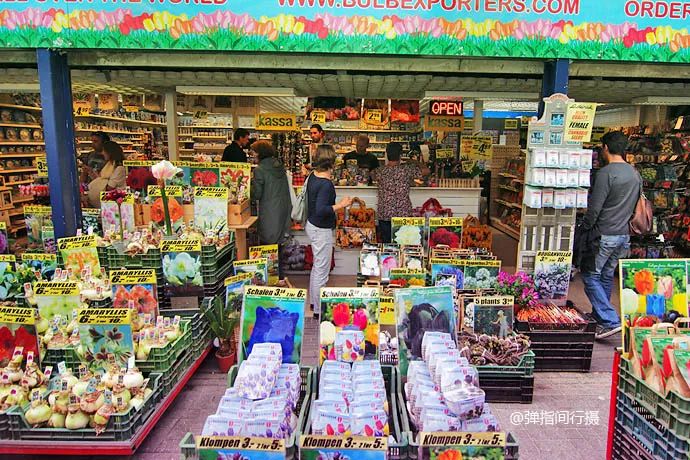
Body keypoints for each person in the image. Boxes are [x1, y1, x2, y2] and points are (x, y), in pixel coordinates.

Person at [580, 131, 640, 339]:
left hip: (603, 234)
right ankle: (600, 318)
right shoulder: (634, 173)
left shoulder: (606, 173)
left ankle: (610, 319)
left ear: (605, 147)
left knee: (589, 275)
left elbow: (595, 208)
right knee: (605, 276)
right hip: (623, 235)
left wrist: (584, 228)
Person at [306, 144, 353, 314]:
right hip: (321, 229)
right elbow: (321, 209)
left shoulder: (313, 176)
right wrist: (340, 205)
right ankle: (319, 310)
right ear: (331, 162)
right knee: (322, 271)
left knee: (317, 267)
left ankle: (314, 302)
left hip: (312, 225)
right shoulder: (326, 184)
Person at [373, 142, 428, 243]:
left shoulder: (379, 171)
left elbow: (370, 176)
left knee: (386, 245)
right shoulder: (407, 170)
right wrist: (414, 161)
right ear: (400, 155)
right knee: (403, 243)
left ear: (387, 154)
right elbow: (426, 171)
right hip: (403, 213)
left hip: (385, 213)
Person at [251, 140, 292, 246]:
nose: (252, 155)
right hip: (283, 210)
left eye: (254, 152)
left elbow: (257, 194)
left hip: (269, 212)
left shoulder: (260, 170)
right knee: (280, 246)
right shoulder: (279, 166)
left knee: (268, 246)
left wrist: (249, 187)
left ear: (259, 153)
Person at [86, 140, 126, 208]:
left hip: (114, 203)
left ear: (110, 152)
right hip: (107, 202)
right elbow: (102, 179)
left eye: (104, 151)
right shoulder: (108, 165)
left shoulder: (119, 168)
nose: (102, 153)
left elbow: (109, 187)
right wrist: (92, 173)